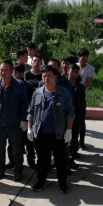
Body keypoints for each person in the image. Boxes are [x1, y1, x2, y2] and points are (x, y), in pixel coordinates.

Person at [28, 65, 75, 194]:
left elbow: (70, 113)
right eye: (44, 76)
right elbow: (31, 111)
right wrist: (30, 128)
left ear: (55, 77)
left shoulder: (64, 94)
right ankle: (41, 181)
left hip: (58, 134)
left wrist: (69, 130)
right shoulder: (37, 93)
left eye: (49, 76)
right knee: (42, 160)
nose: (46, 78)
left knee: (60, 160)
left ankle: (62, 183)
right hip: (40, 133)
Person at [0, 60, 29, 182]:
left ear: (11, 71)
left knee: (16, 149)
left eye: (6, 70)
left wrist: (24, 119)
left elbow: (24, 103)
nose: (3, 72)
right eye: (1, 70)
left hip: (15, 123)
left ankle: (18, 171)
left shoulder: (19, 85)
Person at [13, 63, 37, 170]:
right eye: (15, 72)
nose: (17, 75)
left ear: (23, 73)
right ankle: (12, 161)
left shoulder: (28, 87)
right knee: (13, 143)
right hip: (13, 119)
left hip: (26, 119)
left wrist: (29, 119)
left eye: (19, 72)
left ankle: (31, 161)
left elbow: (32, 104)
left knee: (29, 142)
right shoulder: (10, 85)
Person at [68, 64, 87, 163]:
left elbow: (83, 101)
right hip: (65, 115)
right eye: (72, 71)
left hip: (77, 114)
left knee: (75, 135)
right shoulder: (63, 85)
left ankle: (73, 152)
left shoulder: (81, 87)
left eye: (76, 72)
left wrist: (81, 114)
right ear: (68, 71)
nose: (74, 74)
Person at [77, 48, 95, 149]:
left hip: (81, 97)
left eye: (86, 56)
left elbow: (87, 83)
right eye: (83, 56)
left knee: (81, 120)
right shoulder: (74, 67)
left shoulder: (90, 69)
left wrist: (80, 90)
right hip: (71, 96)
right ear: (79, 57)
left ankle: (82, 141)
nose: (84, 58)